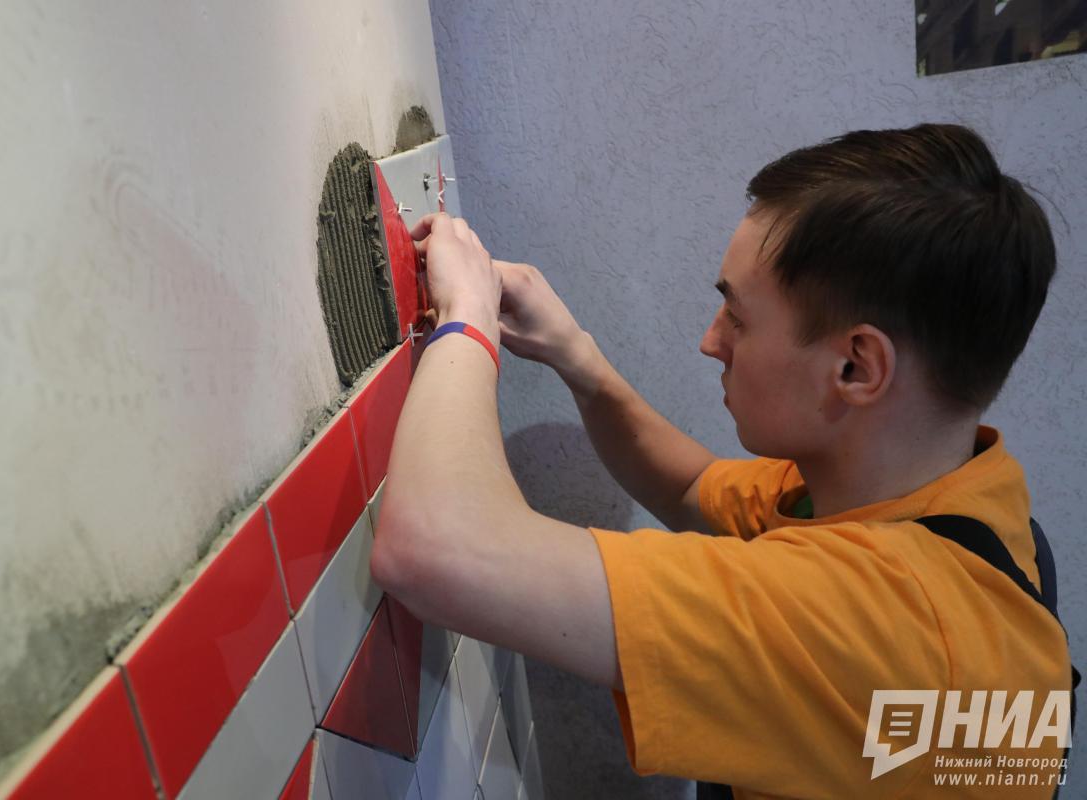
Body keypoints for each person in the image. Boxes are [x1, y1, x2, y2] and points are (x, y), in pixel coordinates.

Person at [369, 123, 1075, 797]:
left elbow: (434, 549)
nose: (712, 342)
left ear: (857, 367)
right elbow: (692, 485)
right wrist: (576, 355)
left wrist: (466, 317)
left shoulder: (880, 626)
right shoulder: (930, 494)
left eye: (737, 317)